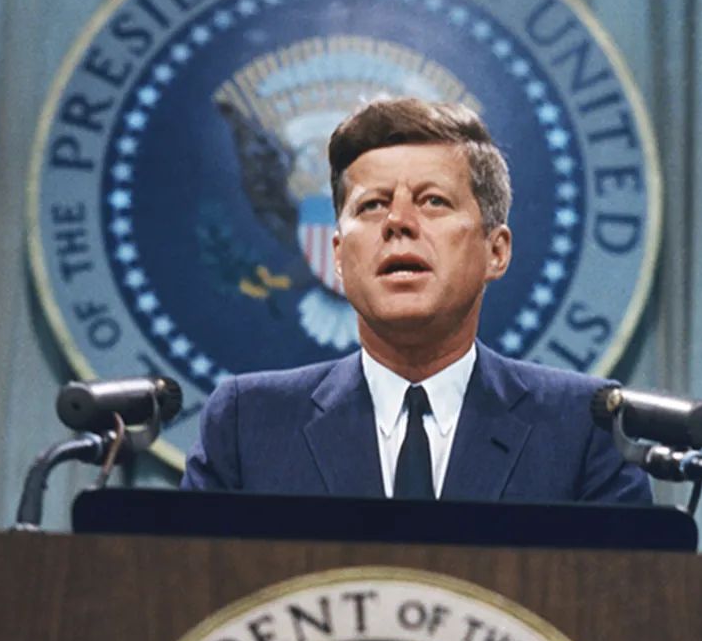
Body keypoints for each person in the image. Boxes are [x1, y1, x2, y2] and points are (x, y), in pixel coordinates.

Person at [182, 97, 651, 504]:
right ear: (339, 257)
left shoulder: (583, 429)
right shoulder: (246, 425)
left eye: (432, 201)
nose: (398, 222)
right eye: (372, 205)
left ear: (496, 251)